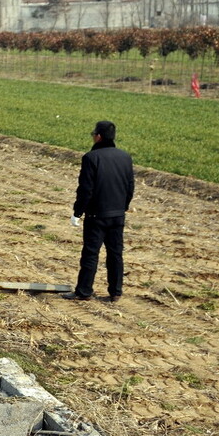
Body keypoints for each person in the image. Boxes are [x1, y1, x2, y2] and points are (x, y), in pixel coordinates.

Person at [63, 120, 135, 303]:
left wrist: (77, 212)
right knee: (115, 254)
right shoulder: (125, 157)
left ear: (99, 137)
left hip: (96, 215)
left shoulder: (91, 158)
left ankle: (84, 291)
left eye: (93, 134)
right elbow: (130, 186)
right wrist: (123, 206)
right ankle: (115, 292)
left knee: (90, 253)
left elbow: (86, 189)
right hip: (118, 214)